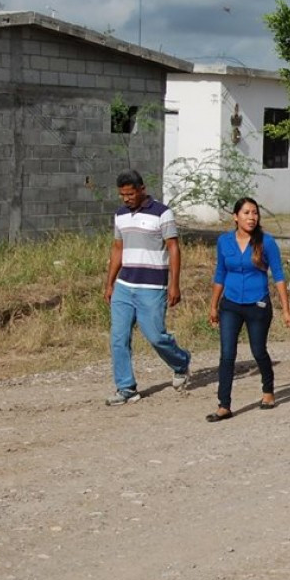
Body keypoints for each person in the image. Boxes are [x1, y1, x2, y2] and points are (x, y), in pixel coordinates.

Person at [206, 197, 290, 422]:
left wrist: (286, 310)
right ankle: (224, 405)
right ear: (235, 217)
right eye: (246, 213)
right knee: (227, 354)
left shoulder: (266, 242)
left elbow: (278, 276)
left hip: (258, 304)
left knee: (258, 351)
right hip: (230, 304)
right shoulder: (224, 241)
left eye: (255, 213)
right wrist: (213, 305)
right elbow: (220, 274)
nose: (251, 217)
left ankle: (268, 390)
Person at [104, 169, 192, 406]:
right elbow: (117, 249)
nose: (126, 198)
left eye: (130, 193)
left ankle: (180, 362)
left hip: (152, 287)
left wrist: (174, 284)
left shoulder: (162, 213)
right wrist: (110, 283)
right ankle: (126, 388)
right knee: (118, 338)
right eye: (122, 194)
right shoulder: (120, 215)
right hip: (124, 285)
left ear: (142, 189)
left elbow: (173, 248)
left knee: (155, 335)